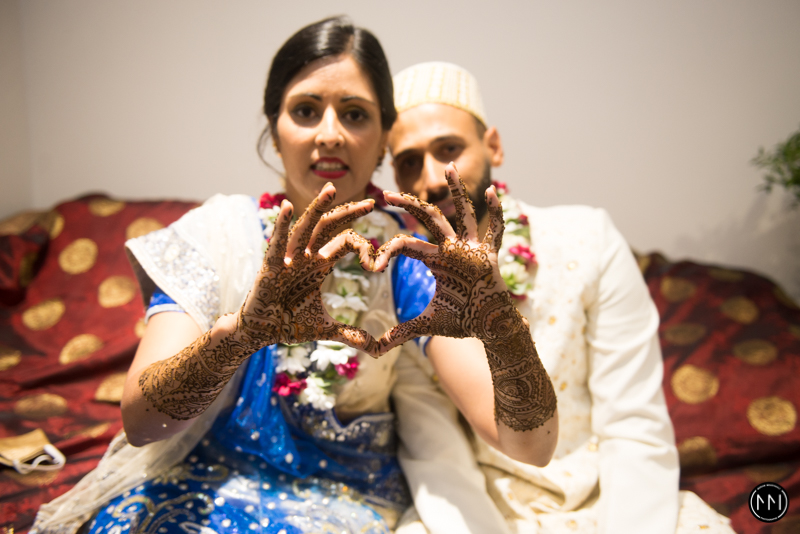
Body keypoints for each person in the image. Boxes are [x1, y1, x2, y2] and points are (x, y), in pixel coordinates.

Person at [31, 21, 556, 534]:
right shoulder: (219, 233)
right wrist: (239, 338)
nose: (330, 134)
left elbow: (530, 446)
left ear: (382, 141)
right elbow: (141, 423)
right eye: (306, 111)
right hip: (199, 484)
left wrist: (500, 325)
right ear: (274, 130)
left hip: (343, 502)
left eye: (354, 114)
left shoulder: (404, 259)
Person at [385, 61, 736, 533]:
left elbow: (634, 424)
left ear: (493, 146)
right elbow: (436, 455)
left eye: (448, 149)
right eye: (409, 161)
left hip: (610, 499)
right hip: (483, 512)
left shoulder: (588, 239)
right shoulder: (407, 284)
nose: (430, 179)